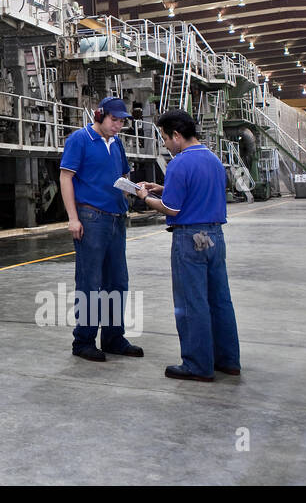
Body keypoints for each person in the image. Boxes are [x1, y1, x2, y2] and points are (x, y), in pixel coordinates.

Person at [136, 109, 241, 382]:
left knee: (191, 303)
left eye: (165, 139)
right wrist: (162, 187)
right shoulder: (214, 160)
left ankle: (197, 364)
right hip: (215, 237)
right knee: (219, 300)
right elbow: (196, 191)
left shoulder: (179, 164)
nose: (166, 145)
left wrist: (146, 197)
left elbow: (171, 208)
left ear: (177, 135)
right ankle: (228, 360)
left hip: (190, 238)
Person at [58, 96, 143, 362]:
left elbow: (122, 176)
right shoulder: (79, 140)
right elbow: (66, 177)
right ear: (99, 115)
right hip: (91, 217)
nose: (118, 126)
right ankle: (83, 341)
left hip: (116, 218)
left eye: (121, 121)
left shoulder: (116, 143)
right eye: (114, 120)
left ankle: (113, 338)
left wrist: (134, 189)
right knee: (90, 281)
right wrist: (73, 218)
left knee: (117, 281)